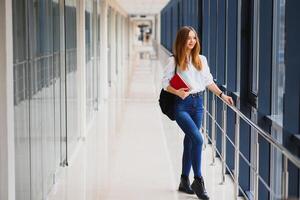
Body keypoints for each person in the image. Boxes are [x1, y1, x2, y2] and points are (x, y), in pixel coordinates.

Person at [161, 26, 234, 199]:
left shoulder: (202, 59)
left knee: (190, 141)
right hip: (182, 105)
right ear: (182, 40)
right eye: (188, 38)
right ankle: (198, 180)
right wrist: (178, 92)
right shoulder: (174, 61)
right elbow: (165, 83)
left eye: (194, 38)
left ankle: (184, 180)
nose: (192, 41)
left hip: (199, 104)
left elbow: (208, 81)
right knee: (199, 138)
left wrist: (222, 95)